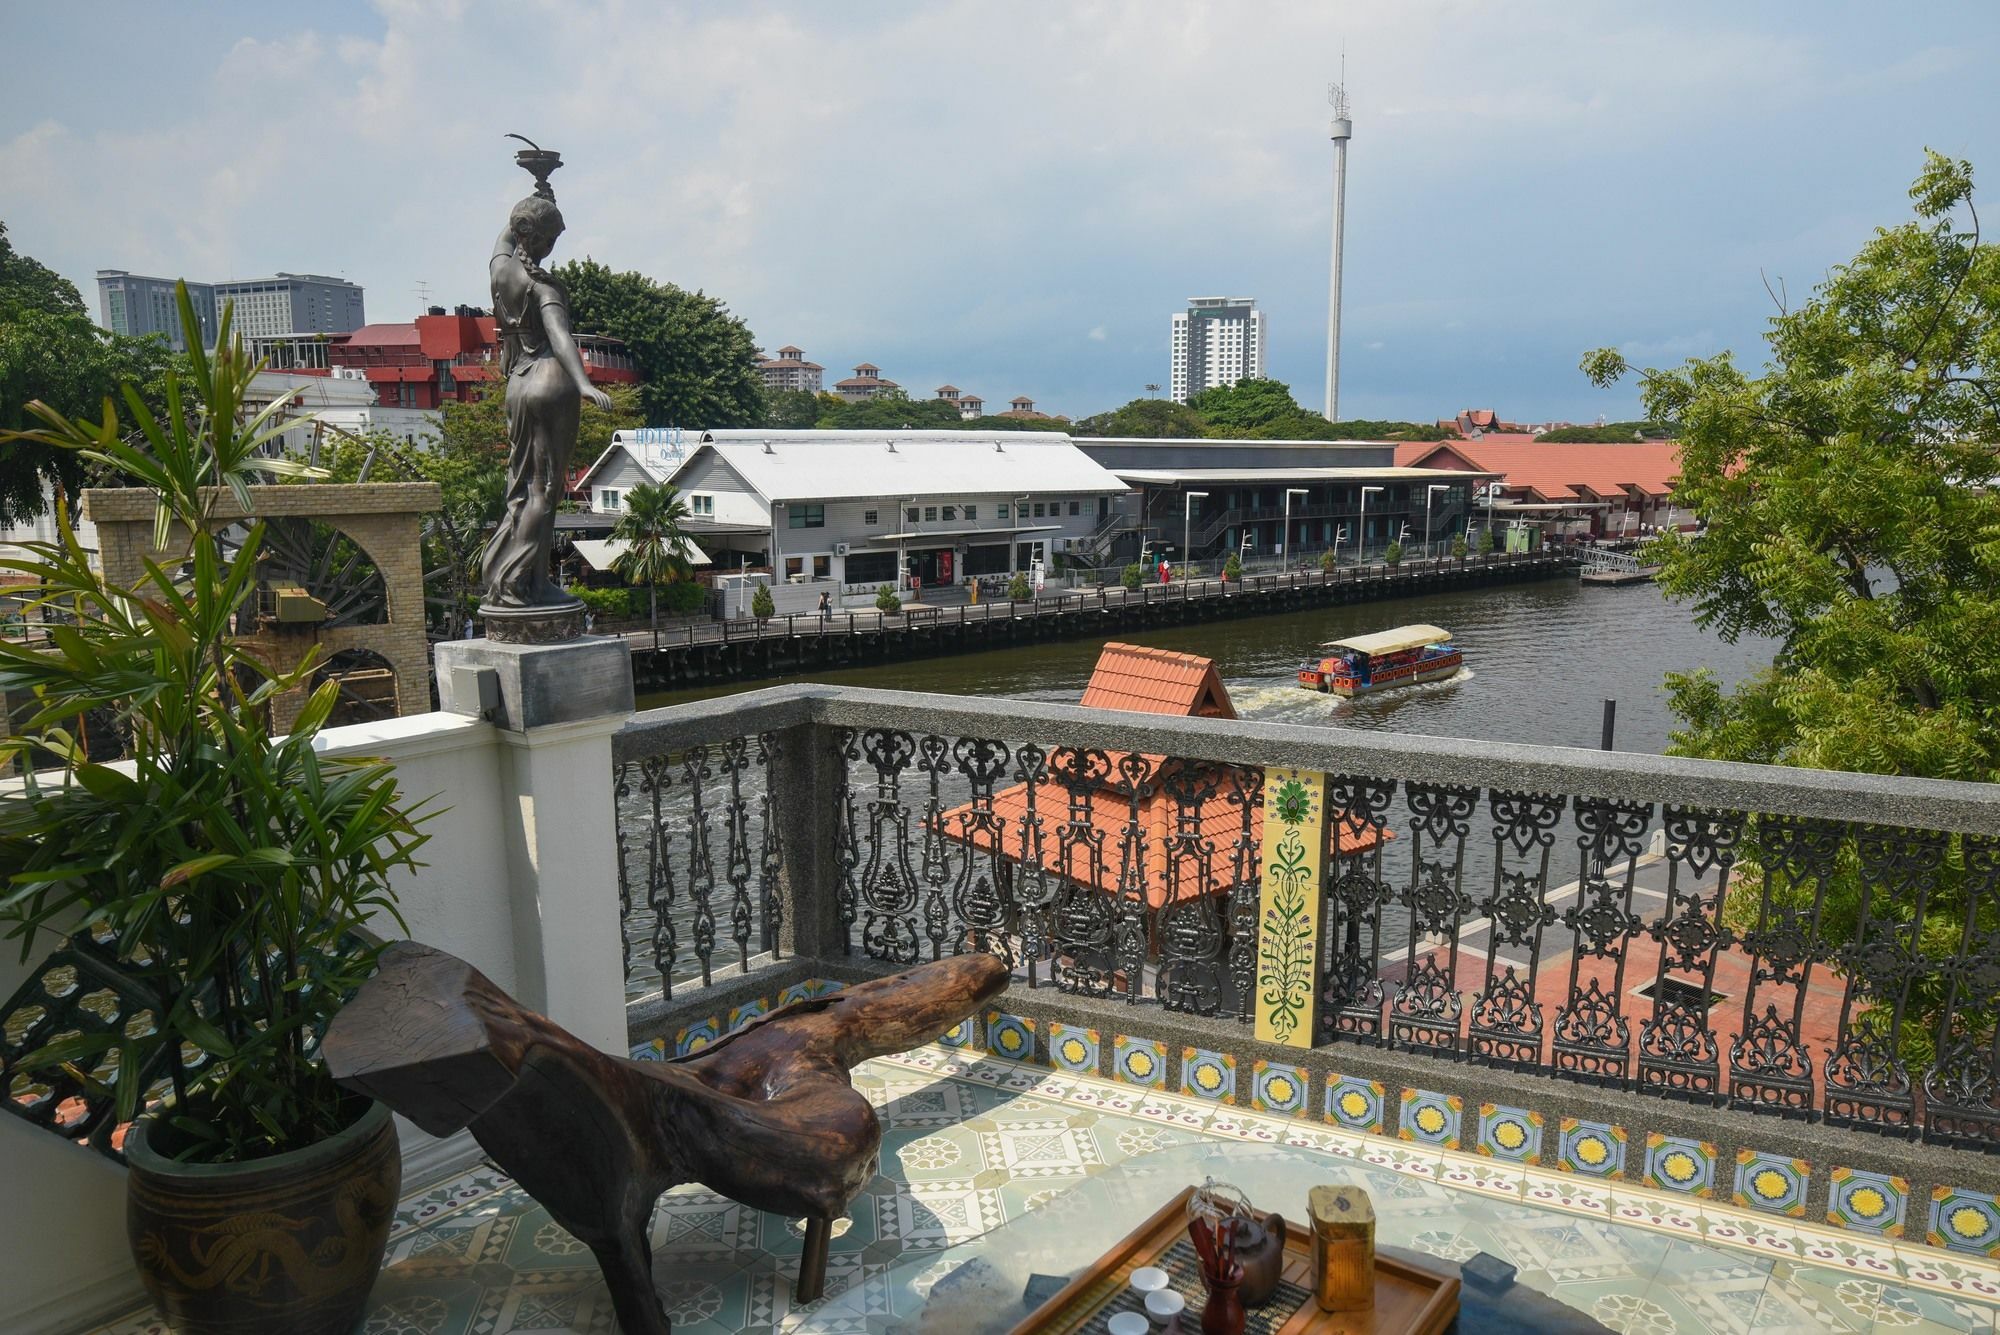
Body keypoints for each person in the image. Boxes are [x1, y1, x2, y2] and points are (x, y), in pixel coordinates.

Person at [480, 189, 612, 611]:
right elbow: (560, 337)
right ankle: (521, 582)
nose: (553, 248)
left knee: (520, 488)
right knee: (546, 489)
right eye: (551, 239)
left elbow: (505, 236)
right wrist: (584, 383)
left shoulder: (500, 269)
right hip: (550, 379)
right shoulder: (541, 286)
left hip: (516, 384)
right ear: (539, 240)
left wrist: (537, 192)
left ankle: (518, 579)